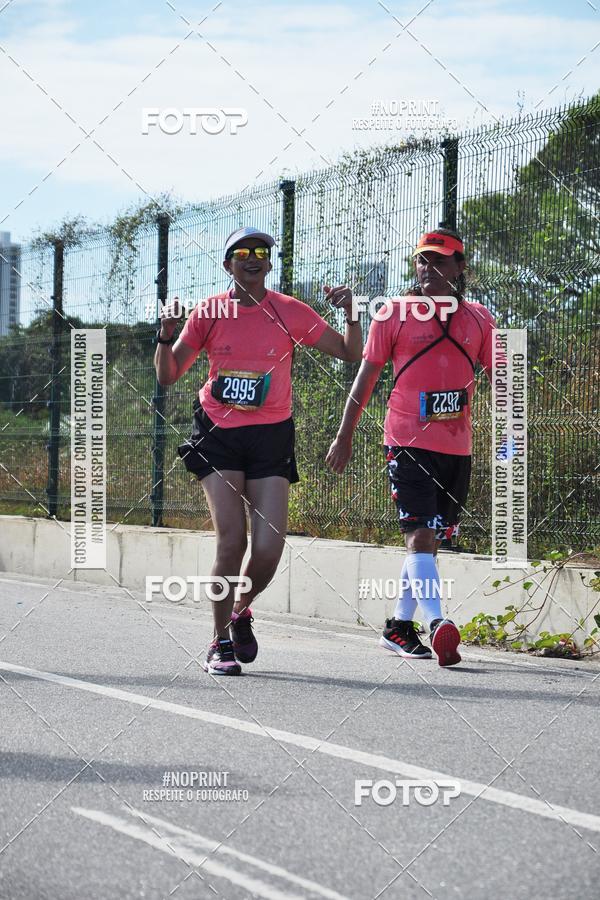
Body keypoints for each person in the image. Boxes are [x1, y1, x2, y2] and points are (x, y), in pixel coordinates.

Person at [154, 227, 362, 675]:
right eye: (242, 252)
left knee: (268, 549)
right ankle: (217, 644)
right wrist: (165, 336)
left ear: (269, 264)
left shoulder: (288, 311)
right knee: (233, 541)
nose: (253, 258)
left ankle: (239, 608)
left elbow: (348, 352)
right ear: (227, 263)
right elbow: (169, 374)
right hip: (218, 434)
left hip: (271, 435)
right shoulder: (210, 311)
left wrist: (351, 313)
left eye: (261, 252)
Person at [326, 227, 497, 666]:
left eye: (440, 261)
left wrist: (513, 436)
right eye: (423, 260)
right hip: (406, 442)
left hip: (457, 447)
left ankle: (399, 627)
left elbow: (502, 381)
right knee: (419, 534)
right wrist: (344, 435)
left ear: (461, 268)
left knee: (431, 540)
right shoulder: (393, 314)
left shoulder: (479, 319)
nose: (429, 268)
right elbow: (365, 379)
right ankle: (439, 624)